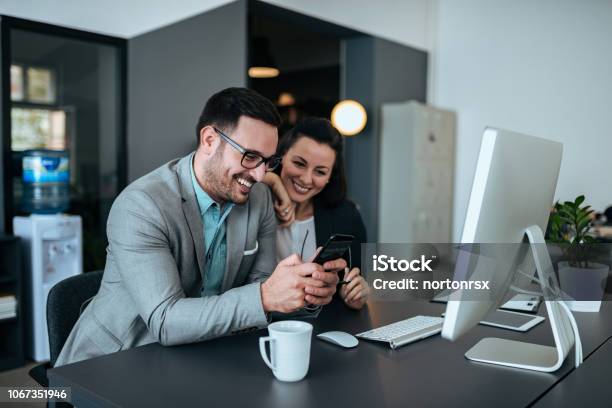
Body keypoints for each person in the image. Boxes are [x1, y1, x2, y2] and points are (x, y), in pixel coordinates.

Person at [56, 88, 345, 366]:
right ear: (209, 140)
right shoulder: (141, 205)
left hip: (201, 354)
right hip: (116, 361)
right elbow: (166, 320)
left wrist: (304, 290)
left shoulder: (258, 200)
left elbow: (262, 291)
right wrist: (266, 295)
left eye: (267, 162)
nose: (259, 174)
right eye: (250, 157)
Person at [264, 117, 369, 310]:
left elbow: (356, 279)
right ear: (283, 155)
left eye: (320, 172)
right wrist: (272, 180)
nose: (306, 179)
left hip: (321, 328)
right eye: (299, 163)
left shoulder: (346, 216)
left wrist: (356, 293)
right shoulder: (254, 202)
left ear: (331, 176)